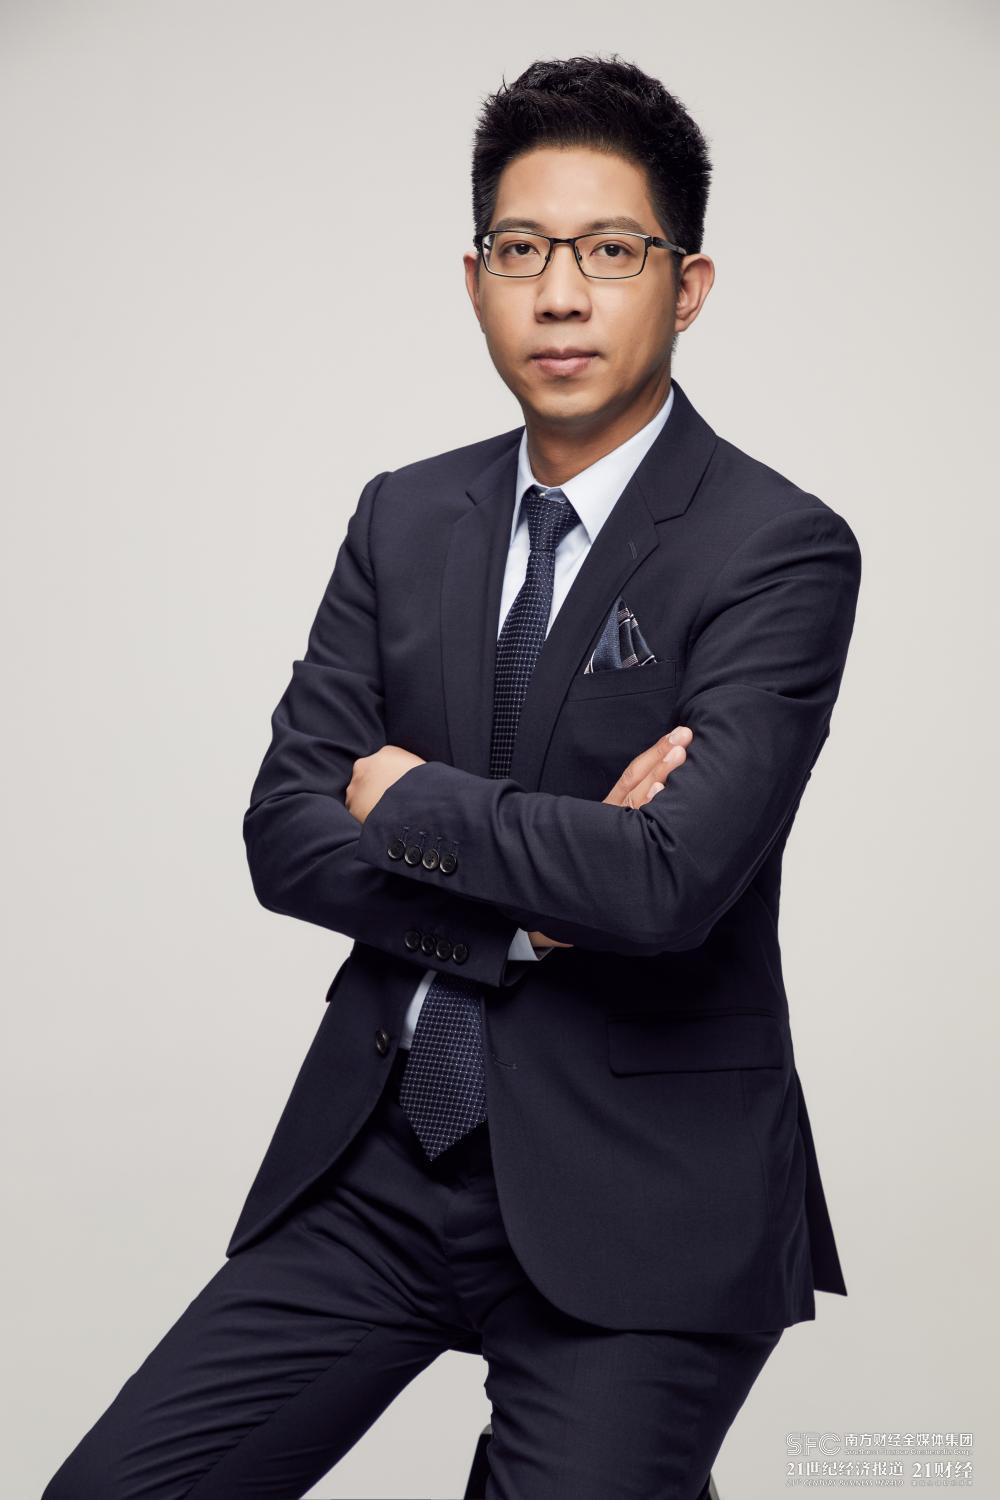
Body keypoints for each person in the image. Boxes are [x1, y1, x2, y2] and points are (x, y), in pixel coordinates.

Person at [42, 53, 862, 1500]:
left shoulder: (777, 547)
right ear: (476, 279)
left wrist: (410, 799)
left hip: (646, 1193)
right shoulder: (404, 516)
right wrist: (536, 913)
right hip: (381, 1165)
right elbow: (286, 834)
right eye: (522, 250)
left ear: (689, 285)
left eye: (612, 252)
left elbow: (668, 885)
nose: (562, 294)